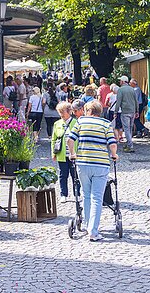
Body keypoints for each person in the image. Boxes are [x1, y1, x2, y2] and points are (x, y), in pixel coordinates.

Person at [66, 100, 118, 241]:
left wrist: (72, 154)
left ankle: (88, 225)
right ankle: (93, 231)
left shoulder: (80, 122)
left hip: (83, 163)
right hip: (100, 165)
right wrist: (114, 155)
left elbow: (70, 140)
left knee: (86, 195)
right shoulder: (105, 124)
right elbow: (112, 144)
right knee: (97, 198)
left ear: (87, 110)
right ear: (99, 111)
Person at [50, 100, 84, 203]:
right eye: (59, 112)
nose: (61, 114)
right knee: (62, 175)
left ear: (69, 111)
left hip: (74, 154)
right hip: (62, 154)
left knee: (75, 175)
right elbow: (54, 139)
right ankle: (63, 194)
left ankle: (77, 193)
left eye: (62, 112)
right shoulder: (57, 124)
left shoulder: (76, 123)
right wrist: (53, 153)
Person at [116, 75, 139, 153]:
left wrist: (115, 112)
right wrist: (137, 111)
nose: (119, 82)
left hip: (125, 111)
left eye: (120, 81)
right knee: (130, 128)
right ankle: (129, 143)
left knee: (126, 129)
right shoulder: (132, 89)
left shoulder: (120, 90)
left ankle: (130, 145)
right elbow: (136, 101)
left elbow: (118, 102)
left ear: (122, 81)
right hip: (132, 111)